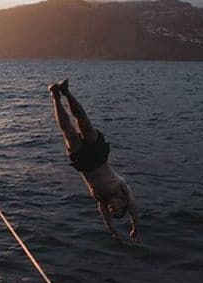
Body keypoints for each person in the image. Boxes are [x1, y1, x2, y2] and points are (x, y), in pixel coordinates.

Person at [48, 79, 138, 241]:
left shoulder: (102, 200)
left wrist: (113, 232)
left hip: (84, 164)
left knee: (68, 132)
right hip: (99, 156)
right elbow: (134, 210)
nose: (113, 209)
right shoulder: (123, 190)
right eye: (118, 210)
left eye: (112, 212)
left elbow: (106, 220)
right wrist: (135, 229)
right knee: (85, 124)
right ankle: (66, 92)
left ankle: (55, 95)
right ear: (123, 204)